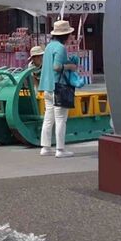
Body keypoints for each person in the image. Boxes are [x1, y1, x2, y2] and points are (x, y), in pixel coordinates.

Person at [39, 19, 80, 158]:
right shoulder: (61, 48)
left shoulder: (49, 47)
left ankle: (45, 147)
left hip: (47, 87)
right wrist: (70, 66)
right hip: (59, 87)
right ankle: (60, 149)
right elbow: (56, 67)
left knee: (48, 118)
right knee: (61, 119)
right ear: (65, 35)